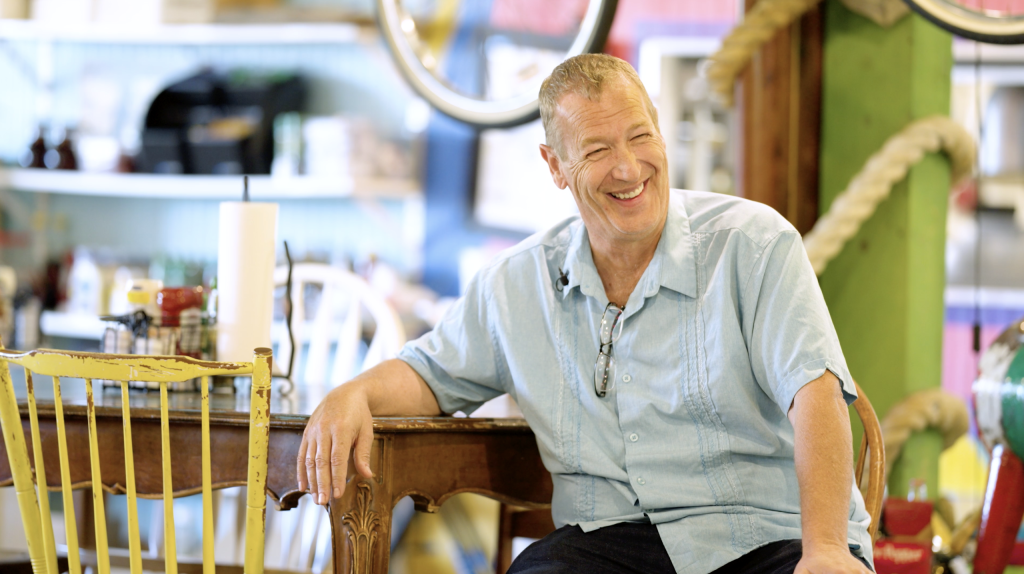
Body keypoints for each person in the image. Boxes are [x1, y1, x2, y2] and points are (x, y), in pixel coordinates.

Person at [298, 54, 874, 574]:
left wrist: (826, 548)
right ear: (555, 165)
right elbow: (429, 374)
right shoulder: (516, 283)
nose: (628, 168)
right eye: (597, 151)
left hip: (769, 536)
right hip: (606, 544)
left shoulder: (754, 243)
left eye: (639, 136)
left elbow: (815, 392)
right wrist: (355, 394)